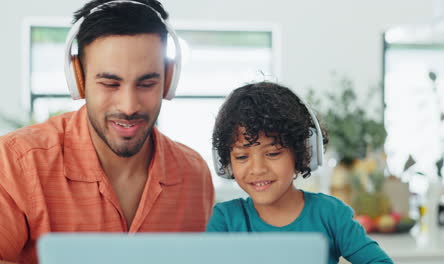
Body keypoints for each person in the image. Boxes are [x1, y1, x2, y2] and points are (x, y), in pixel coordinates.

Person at [0, 1, 214, 263]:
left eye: (147, 83)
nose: (129, 106)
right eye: (110, 84)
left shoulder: (193, 174)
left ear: (169, 80)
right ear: (78, 79)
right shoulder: (17, 162)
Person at [207, 82, 393, 264]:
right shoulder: (224, 220)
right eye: (241, 157)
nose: (257, 169)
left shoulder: (331, 214)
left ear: (302, 152)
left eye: (272, 153)